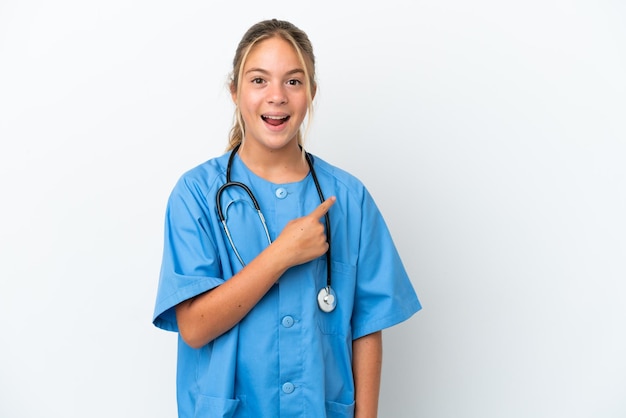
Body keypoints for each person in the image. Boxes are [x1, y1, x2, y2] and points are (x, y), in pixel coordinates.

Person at [152, 18, 421, 418]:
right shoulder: (195, 195)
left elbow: (367, 327)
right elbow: (194, 327)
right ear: (235, 92)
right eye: (259, 80)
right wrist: (282, 254)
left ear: (311, 92)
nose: (276, 96)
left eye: (293, 82)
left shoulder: (348, 198)